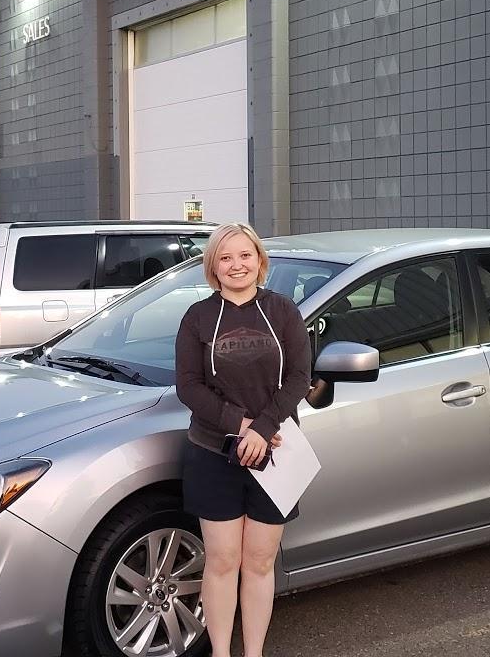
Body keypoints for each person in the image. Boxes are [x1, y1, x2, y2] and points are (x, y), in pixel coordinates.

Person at [175, 222, 312, 657]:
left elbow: (300, 377)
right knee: (221, 562)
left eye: (245, 255)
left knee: (259, 562)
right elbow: (188, 386)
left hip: (275, 453)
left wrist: (263, 428)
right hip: (213, 454)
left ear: (259, 260)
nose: (237, 265)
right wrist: (240, 424)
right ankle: (221, 652)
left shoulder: (283, 311)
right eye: (226, 257)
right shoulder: (197, 318)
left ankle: (253, 653)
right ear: (213, 266)